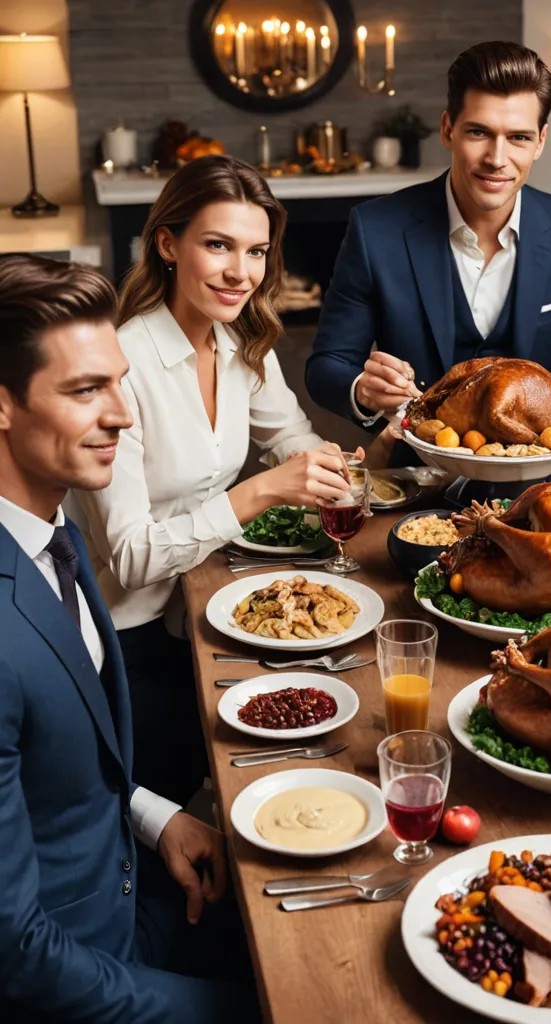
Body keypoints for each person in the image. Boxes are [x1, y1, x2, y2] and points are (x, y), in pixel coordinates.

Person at [0, 254, 259, 1022]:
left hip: (126, 884)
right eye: (86, 391)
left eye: (119, 380)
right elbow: (18, 954)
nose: (124, 413)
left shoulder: (50, 528)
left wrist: (153, 816)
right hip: (73, 969)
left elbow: (54, 768)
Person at [72, 155, 361, 805]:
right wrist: (260, 490)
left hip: (205, 604)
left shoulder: (240, 342)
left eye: (257, 251)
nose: (242, 272)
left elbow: (289, 434)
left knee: (303, 740)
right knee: (186, 794)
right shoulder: (122, 367)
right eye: (218, 245)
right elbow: (133, 556)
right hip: (125, 642)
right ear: (168, 244)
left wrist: (337, 462)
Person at [305, 39, 551, 442]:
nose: (497, 158)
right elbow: (328, 365)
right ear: (448, 129)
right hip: (415, 467)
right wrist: (362, 388)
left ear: (541, 141)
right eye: (479, 132)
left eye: (518, 137)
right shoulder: (375, 230)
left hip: (536, 466)